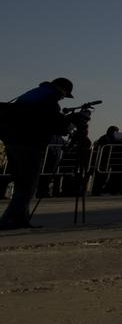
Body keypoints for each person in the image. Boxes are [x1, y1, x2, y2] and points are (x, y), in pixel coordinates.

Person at [0, 78, 85, 230]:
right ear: (62, 89)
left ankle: (19, 219)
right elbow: (53, 124)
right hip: (28, 144)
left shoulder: (34, 94)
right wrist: (72, 120)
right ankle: (9, 220)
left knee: (22, 184)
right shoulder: (48, 99)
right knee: (27, 185)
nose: (62, 98)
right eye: (64, 94)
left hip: (13, 141)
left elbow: (40, 119)